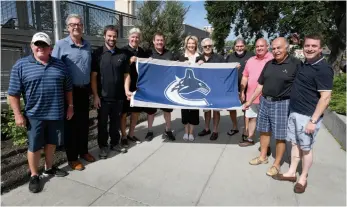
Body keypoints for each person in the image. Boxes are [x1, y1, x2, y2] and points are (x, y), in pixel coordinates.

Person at [8, 32, 72, 193]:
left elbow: (68, 88)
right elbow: (13, 93)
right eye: (37, 44)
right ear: (32, 46)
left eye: (44, 45)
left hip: (56, 113)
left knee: (51, 143)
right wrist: (17, 114)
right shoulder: (21, 65)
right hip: (35, 115)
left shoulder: (60, 65)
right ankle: (34, 175)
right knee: (35, 146)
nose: (40, 48)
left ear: (50, 48)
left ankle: (49, 168)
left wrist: (70, 106)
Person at [273, 34, 334, 194]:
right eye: (307, 45)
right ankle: (292, 172)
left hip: (308, 116)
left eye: (314, 46)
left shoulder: (324, 69)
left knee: (306, 149)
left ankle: (303, 178)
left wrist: (313, 121)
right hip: (294, 112)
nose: (310, 48)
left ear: (320, 49)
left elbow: (325, 98)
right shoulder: (304, 64)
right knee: (294, 144)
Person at [243, 37, 301, 176]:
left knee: (280, 136)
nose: (276, 51)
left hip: (282, 103)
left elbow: (301, 87)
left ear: (286, 48)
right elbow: (260, 85)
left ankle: (276, 164)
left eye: (279, 48)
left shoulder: (295, 64)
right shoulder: (269, 64)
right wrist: (250, 101)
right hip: (264, 101)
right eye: (274, 48)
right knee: (264, 131)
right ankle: (263, 157)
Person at [52, 14, 95, 170]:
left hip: (84, 92)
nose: (76, 26)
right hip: (69, 92)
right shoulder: (61, 45)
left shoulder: (87, 46)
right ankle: (72, 158)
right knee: (71, 126)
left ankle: (84, 151)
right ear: (68, 27)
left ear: (82, 26)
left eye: (79, 24)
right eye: (73, 24)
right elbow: (54, 68)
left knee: (84, 124)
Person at [91, 25, 129, 159]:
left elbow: (126, 75)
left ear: (117, 37)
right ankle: (103, 147)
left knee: (115, 123)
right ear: (104, 36)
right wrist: (95, 96)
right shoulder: (97, 54)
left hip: (118, 97)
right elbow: (93, 76)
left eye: (114, 36)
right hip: (103, 98)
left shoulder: (122, 55)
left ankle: (115, 143)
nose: (112, 38)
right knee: (102, 124)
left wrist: (127, 91)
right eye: (109, 36)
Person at [239, 38, 273, 147]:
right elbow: (245, 76)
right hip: (250, 97)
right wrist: (242, 91)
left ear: (267, 46)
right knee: (252, 118)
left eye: (262, 46)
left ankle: (265, 146)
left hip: (266, 97)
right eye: (257, 46)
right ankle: (250, 139)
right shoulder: (250, 60)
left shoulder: (272, 59)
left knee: (266, 122)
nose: (259, 48)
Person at [143, 32, 177, 141]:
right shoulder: (147, 53)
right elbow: (139, 63)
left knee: (167, 111)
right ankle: (149, 131)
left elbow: (181, 61)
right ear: (153, 41)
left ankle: (168, 130)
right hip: (152, 88)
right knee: (151, 112)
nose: (159, 42)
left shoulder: (170, 54)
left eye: (161, 40)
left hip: (166, 88)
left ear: (164, 41)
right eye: (157, 40)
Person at [121, 28, 149, 147]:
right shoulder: (122, 51)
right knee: (123, 113)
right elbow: (119, 68)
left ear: (140, 39)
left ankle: (131, 134)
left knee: (135, 113)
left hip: (138, 88)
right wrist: (128, 62)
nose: (135, 39)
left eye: (137, 37)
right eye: (133, 37)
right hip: (125, 87)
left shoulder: (142, 52)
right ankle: (123, 136)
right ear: (129, 38)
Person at [197, 38, 225, 140]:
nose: (207, 48)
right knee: (206, 110)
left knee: (216, 111)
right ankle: (207, 128)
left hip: (217, 89)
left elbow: (226, 71)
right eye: (205, 46)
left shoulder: (220, 58)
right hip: (204, 90)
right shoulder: (198, 59)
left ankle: (215, 131)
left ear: (212, 46)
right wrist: (197, 64)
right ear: (202, 47)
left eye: (209, 46)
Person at [226, 38, 254, 139]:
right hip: (232, 88)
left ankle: (246, 130)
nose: (239, 48)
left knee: (246, 110)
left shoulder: (251, 56)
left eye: (241, 46)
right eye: (237, 46)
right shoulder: (229, 57)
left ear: (245, 46)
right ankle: (234, 127)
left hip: (248, 88)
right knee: (232, 109)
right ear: (234, 47)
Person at [178, 35, 201, 141]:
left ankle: (191, 132)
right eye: (189, 43)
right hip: (184, 88)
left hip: (195, 89)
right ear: (186, 44)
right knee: (185, 111)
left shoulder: (199, 57)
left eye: (193, 43)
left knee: (194, 111)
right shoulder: (181, 56)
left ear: (196, 44)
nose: (191, 45)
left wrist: (203, 64)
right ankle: (186, 131)